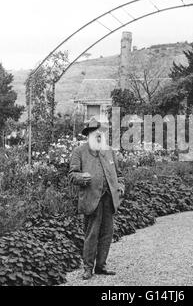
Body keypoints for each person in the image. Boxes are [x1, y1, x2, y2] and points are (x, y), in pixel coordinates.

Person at [69, 118, 125, 280]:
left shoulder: (109, 152)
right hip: (91, 198)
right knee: (91, 234)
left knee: (107, 233)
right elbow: (72, 175)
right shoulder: (79, 152)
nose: (99, 137)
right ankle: (88, 268)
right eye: (95, 135)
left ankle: (101, 265)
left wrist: (120, 187)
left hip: (109, 199)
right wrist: (82, 177)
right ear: (88, 135)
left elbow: (119, 175)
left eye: (100, 135)